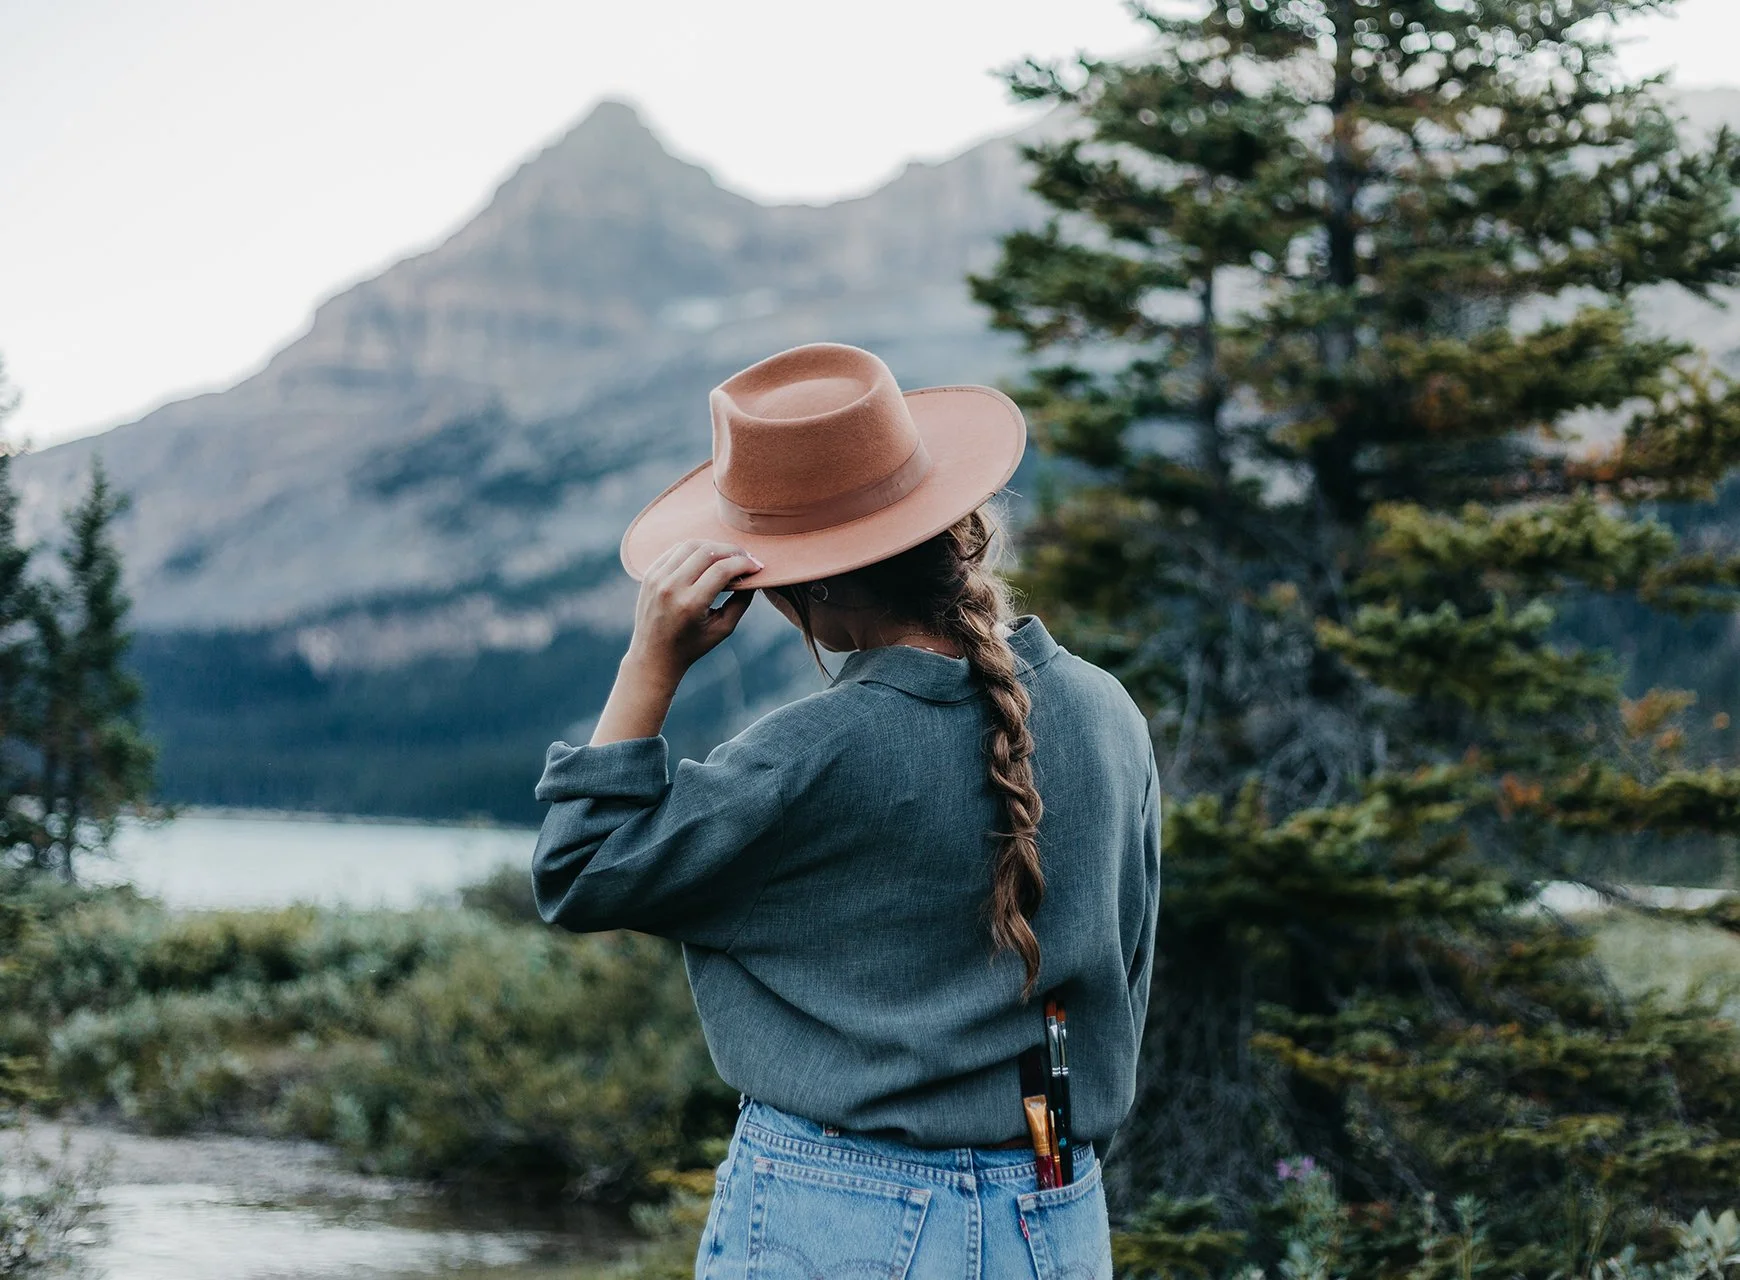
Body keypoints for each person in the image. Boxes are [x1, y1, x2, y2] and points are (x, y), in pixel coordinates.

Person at [532, 342, 1161, 1280]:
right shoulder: (1107, 710)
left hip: (841, 1212)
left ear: (805, 580)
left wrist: (650, 663)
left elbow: (580, 869)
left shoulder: (818, 750)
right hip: (1057, 1209)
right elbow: (1132, 955)